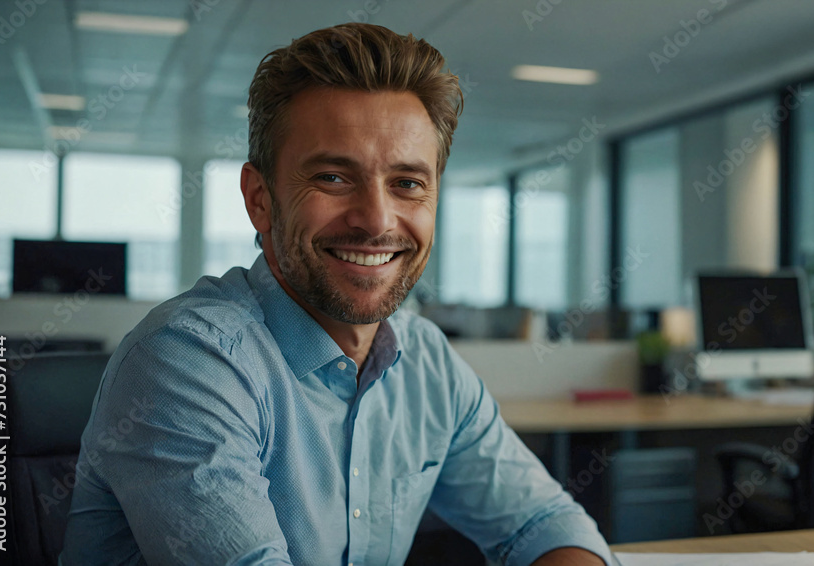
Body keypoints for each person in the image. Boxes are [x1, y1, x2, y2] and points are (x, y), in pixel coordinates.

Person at [60, 23, 611, 565]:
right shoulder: (186, 362)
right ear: (260, 199)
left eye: (408, 183)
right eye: (332, 177)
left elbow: (544, 525)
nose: (376, 220)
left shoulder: (424, 363)